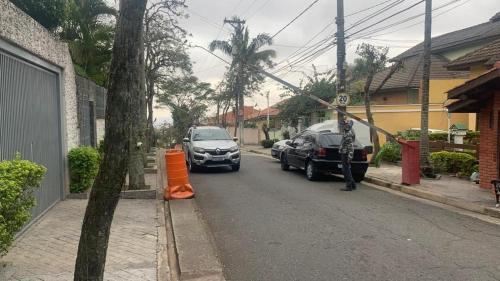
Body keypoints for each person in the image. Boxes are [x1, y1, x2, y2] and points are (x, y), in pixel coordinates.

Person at [340, 117, 356, 191]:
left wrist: (350, 156)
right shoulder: (347, 131)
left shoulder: (348, 133)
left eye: (342, 125)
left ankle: (349, 186)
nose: (341, 126)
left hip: (346, 153)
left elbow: (351, 146)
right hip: (344, 152)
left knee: (345, 170)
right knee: (347, 169)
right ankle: (353, 185)